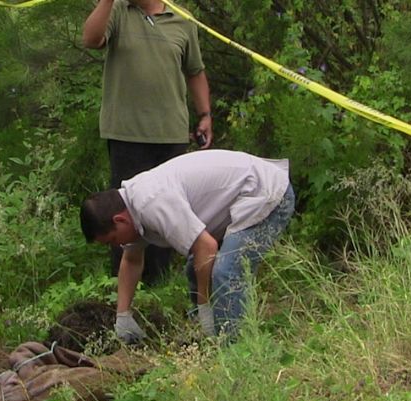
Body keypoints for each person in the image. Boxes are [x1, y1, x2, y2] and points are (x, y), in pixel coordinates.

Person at [79, 150, 295, 342]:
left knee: (225, 272)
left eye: (112, 240)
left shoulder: (151, 203)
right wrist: (123, 315)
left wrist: (204, 306)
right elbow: (132, 260)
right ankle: (206, 333)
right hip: (238, 198)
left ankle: (233, 348)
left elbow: (207, 247)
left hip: (266, 193)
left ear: (119, 220)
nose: (117, 245)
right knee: (195, 269)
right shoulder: (130, 207)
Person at [82, 0, 214, 285]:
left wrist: (205, 114)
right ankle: (123, 288)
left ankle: (158, 284)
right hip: (127, 135)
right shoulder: (118, 11)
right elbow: (91, 39)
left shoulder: (182, 19)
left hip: (171, 135)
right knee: (122, 215)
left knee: (168, 212)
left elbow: (194, 71)